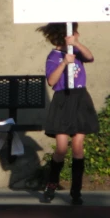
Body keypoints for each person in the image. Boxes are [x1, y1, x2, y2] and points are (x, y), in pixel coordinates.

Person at [36, 22, 99, 205]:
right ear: (63, 36)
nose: (77, 34)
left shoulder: (76, 51)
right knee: (62, 148)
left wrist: (76, 44)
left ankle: (76, 191)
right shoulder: (54, 57)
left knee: (78, 147)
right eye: (74, 32)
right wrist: (64, 62)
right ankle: (51, 184)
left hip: (80, 99)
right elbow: (52, 81)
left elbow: (90, 57)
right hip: (63, 100)